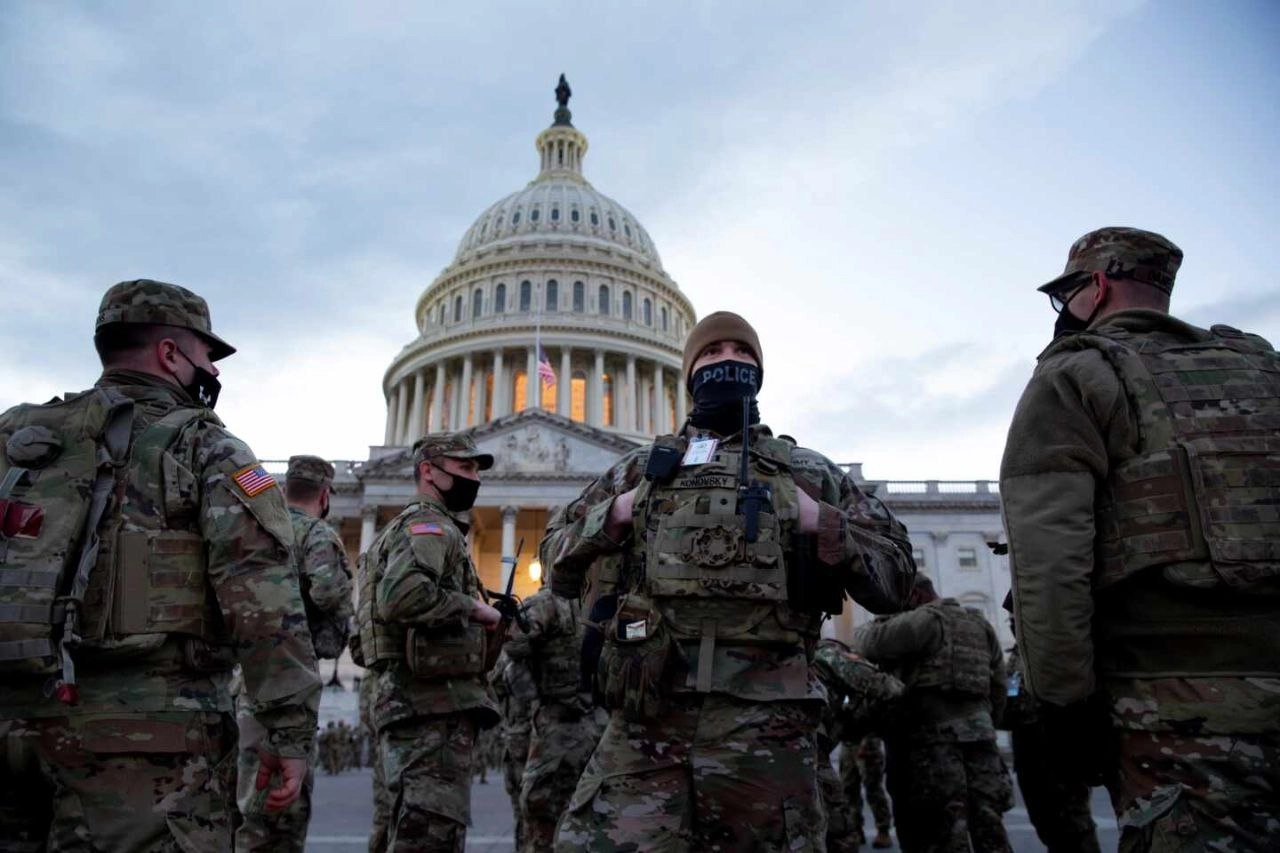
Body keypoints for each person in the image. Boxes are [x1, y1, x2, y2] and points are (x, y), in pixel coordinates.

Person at [547, 311, 917, 851]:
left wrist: (820, 520)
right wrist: (618, 513)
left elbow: (896, 581)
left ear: (760, 372)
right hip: (648, 720)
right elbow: (554, 559)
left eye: (742, 354)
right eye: (713, 352)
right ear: (690, 371)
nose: (729, 361)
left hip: (767, 729)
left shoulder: (806, 472)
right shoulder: (637, 471)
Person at [0, 279, 321, 851]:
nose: (214, 373)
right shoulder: (206, 448)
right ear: (170, 354)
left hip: (13, 719)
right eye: (206, 356)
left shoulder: (17, 440)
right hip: (144, 736)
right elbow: (265, 604)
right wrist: (289, 729)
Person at [1000, 226, 1280, 850]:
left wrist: (1063, 708)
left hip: (1178, 704)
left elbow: (1050, 566)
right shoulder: (1263, 365)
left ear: (1093, 287)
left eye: (1064, 296)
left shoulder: (1077, 374)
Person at [355, 431, 501, 852]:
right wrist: (477, 610)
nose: (475, 478)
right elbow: (403, 596)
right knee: (431, 833)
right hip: (430, 706)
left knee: (399, 829)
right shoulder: (431, 525)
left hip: (406, 701)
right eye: (465, 468)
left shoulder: (399, 529)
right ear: (428, 472)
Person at [236, 453, 354, 852]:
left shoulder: (254, 529)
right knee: (283, 805)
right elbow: (328, 593)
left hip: (244, 676)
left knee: (244, 794)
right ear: (324, 496)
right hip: (291, 677)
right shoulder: (317, 535)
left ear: (284, 489)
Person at [853, 576, 1013, 853]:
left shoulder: (922, 621)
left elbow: (866, 642)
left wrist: (881, 619)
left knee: (946, 832)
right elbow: (998, 686)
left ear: (913, 595)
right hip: (982, 741)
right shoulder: (979, 624)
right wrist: (985, 723)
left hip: (934, 744)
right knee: (990, 827)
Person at [504, 580, 607, 852]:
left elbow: (514, 644)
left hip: (557, 731)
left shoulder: (547, 602)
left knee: (542, 815)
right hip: (599, 726)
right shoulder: (602, 600)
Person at [998, 594, 1100, 853]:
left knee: (1074, 825)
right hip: (1027, 750)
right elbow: (1012, 698)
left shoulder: (1055, 645)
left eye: (1016, 618)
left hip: (1056, 747)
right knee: (1047, 823)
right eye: (1011, 620)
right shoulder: (1018, 655)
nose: (1013, 623)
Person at [811, 639, 903, 853]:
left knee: (871, 788)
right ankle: (857, 830)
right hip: (812, 757)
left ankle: (880, 829)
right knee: (845, 797)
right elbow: (891, 689)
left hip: (860, 742)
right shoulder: (828, 655)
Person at [489, 645, 535, 851]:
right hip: (523, 738)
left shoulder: (511, 655)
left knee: (527, 813)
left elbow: (493, 686)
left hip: (524, 739)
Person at [838, 735, 893, 850]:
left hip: (868, 742)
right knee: (848, 790)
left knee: (873, 789)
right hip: (847, 743)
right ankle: (855, 829)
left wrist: (868, 741)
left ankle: (883, 830)